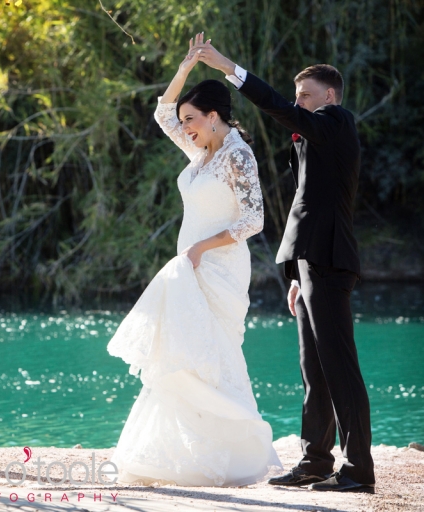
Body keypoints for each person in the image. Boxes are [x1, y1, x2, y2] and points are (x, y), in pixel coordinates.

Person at [191, 38, 375, 493]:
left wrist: (228, 67)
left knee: (340, 367)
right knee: (314, 370)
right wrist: (295, 275)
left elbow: (276, 106)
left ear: (329, 96)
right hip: (309, 262)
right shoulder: (314, 138)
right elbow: (307, 203)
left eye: (306, 96)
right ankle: (315, 461)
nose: (299, 104)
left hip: (329, 260)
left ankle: (358, 470)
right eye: (298, 97)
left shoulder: (338, 121)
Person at [107, 33, 282, 487]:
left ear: (214, 116)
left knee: (214, 355)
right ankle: (181, 457)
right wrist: (185, 68)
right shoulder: (200, 152)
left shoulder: (237, 155)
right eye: (185, 121)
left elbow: (255, 220)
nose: (184, 127)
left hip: (219, 267)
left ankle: (234, 453)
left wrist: (202, 248)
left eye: (192, 119)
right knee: (182, 356)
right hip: (191, 268)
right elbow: (162, 113)